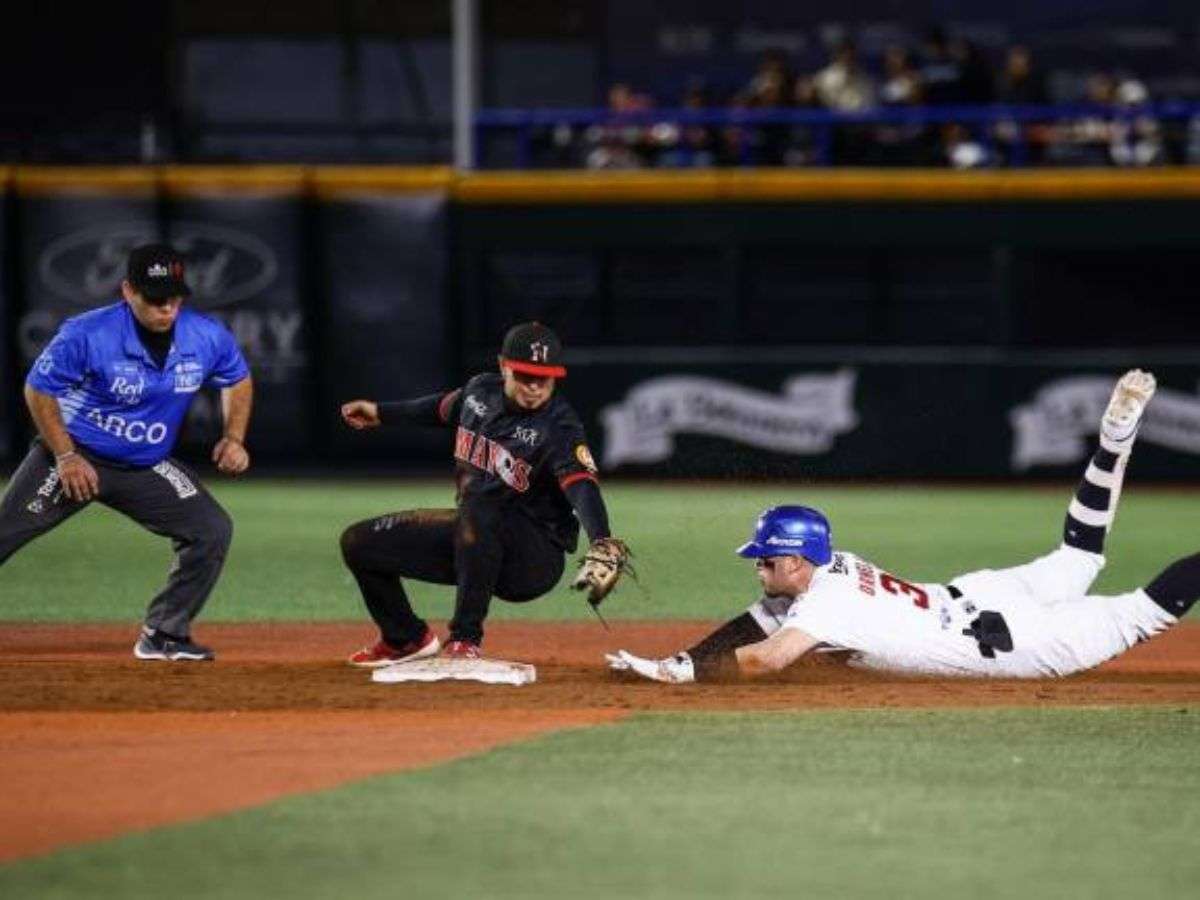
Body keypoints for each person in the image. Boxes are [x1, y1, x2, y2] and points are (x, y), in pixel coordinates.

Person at [610, 370, 1196, 683]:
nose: (757, 565)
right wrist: (688, 660)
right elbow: (756, 622)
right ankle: (1114, 443)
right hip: (989, 594)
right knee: (1081, 552)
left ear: (796, 561)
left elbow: (765, 658)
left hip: (1021, 643)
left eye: (765, 558)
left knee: (1143, 612)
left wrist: (679, 674)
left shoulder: (824, 608)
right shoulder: (833, 566)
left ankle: (1117, 440)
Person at [0, 244, 253, 661]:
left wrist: (234, 436)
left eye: (174, 296)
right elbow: (39, 389)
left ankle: (164, 633)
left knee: (211, 529)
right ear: (127, 292)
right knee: (6, 532)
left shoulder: (205, 336)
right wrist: (65, 456)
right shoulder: (87, 333)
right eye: (155, 297)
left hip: (143, 464)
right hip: (73, 456)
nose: (167, 307)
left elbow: (237, 377)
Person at [339, 321, 627, 665]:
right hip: (475, 538)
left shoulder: (560, 426)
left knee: (481, 509)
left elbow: (581, 485)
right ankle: (405, 638)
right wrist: (380, 413)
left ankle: (465, 639)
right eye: (524, 376)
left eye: (544, 379)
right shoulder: (479, 391)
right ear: (503, 366)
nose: (534, 387)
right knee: (360, 542)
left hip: (533, 557)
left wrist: (602, 539)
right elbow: (440, 408)